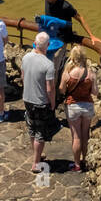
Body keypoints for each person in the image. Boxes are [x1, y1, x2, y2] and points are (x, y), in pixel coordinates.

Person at [19, 32, 58, 172]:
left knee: (32, 128)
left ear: (35, 43)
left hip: (27, 98)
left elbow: (23, 77)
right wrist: (52, 103)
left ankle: (37, 155)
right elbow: (50, 88)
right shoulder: (48, 65)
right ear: (47, 45)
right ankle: (36, 163)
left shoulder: (25, 57)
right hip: (41, 101)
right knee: (40, 133)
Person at [59, 44, 99, 172]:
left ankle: (76, 165)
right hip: (87, 106)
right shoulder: (90, 73)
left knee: (76, 136)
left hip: (73, 105)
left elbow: (61, 89)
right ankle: (85, 160)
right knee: (85, 135)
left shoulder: (68, 72)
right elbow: (95, 92)